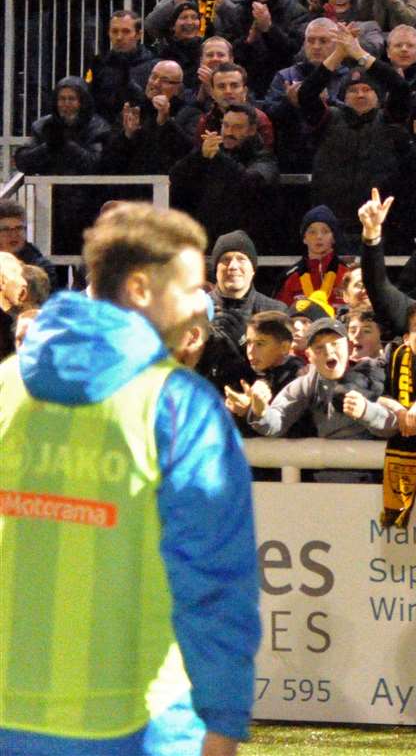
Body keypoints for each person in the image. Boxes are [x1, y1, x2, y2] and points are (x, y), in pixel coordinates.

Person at [0, 203, 258, 756]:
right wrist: (224, 717)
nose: (201, 303)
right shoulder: (180, 405)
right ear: (140, 287)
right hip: (143, 724)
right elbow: (214, 580)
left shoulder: (3, 384)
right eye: (190, 287)